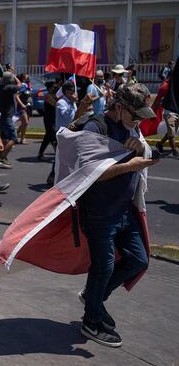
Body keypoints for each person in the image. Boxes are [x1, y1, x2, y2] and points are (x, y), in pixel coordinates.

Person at [77, 83, 158, 347]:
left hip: (125, 209)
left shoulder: (131, 126)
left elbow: (147, 152)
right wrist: (129, 164)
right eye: (135, 116)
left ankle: (94, 298)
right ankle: (91, 321)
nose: (138, 122)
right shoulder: (95, 128)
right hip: (100, 212)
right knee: (104, 267)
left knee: (138, 259)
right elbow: (90, 173)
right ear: (120, 107)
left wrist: (141, 154)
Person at [0, 72, 21, 168]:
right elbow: (20, 85)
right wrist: (15, 76)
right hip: (6, 117)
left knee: (4, 139)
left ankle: (3, 158)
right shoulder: (9, 88)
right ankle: (2, 158)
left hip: (1, 116)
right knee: (13, 138)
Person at [37, 80, 59, 161]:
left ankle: (40, 154)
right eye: (53, 87)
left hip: (54, 119)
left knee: (47, 137)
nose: (55, 88)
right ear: (49, 88)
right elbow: (55, 104)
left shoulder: (55, 95)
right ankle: (58, 155)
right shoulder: (47, 96)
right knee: (53, 138)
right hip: (48, 119)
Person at [15, 74, 32, 144]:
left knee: (25, 123)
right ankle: (22, 138)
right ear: (23, 78)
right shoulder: (23, 85)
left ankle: (15, 136)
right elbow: (17, 96)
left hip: (29, 106)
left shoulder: (29, 86)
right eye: (27, 77)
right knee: (25, 122)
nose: (28, 78)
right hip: (22, 107)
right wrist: (21, 104)